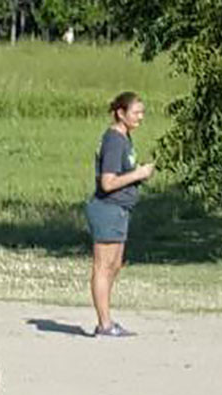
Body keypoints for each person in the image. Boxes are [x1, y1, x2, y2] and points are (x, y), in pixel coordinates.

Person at [86, 91, 153, 338]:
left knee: (114, 265)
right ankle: (104, 324)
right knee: (103, 266)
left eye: (142, 112)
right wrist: (138, 174)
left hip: (120, 209)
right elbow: (108, 182)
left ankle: (107, 319)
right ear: (121, 113)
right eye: (136, 112)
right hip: (107, 208)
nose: (140, 117)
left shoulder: (125, 138)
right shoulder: (114, 140)